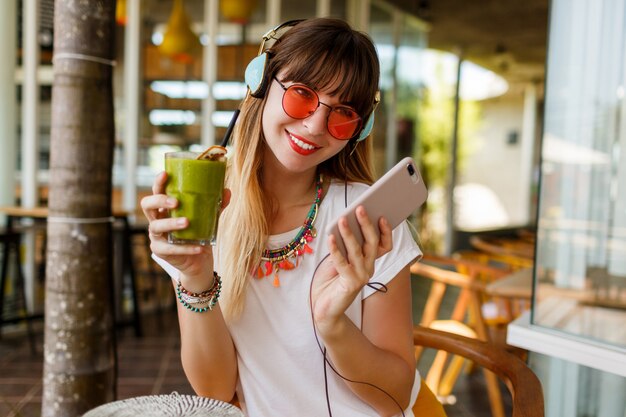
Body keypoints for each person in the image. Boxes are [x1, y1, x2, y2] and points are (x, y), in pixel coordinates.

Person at [141, 17, 422, 417]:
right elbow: (216, 392)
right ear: (260, 84)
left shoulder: (369, 222)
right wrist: (195, 275)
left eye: (342, 113)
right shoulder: (205, 209)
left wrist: (333, 325)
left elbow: (396, 398)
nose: (315, 125)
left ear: (360, 128)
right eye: (301, 94)